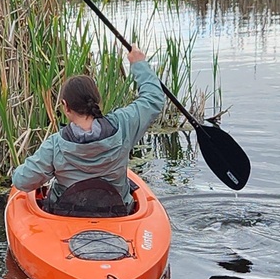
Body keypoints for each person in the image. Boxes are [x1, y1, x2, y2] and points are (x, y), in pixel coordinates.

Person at [12, 45, 166, 211]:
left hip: (67, 215)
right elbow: (153, 99)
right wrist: (139, 64)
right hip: (117, 213)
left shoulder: (55, 145)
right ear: (98, 101)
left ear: (65, 106)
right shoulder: (123, 125)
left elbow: (22, 181)